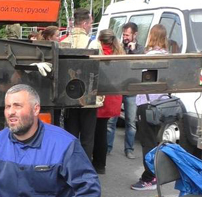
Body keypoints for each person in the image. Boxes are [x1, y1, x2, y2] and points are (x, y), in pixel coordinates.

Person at [131, 24, 169, 191]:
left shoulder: (150, 57)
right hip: (161, 104)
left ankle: (149, 178)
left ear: (151, 36)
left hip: (146, 104)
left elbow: (139, 78)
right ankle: (156, 174)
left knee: (147, 143)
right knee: (154, 141)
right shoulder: (168, 56)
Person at [61, 9, 98, 160]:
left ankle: (70, 167)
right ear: (84, 24)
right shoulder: (93, 43)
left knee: (70, 136)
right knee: (87, 139)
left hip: (68, 97)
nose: (90, 26)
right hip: (89, 98)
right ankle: (85, 169)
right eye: (90, 23)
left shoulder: (63, 43)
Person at [107, 22, 143, 159]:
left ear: (135, 34)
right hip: (117, 89)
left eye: (127, 35)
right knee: (111, 121)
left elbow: (139, 66)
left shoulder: (140, 49)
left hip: (132, 90)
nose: (125, 37)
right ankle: (108, 148)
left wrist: (133, 51)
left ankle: (129, 148)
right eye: (123, 34)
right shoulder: (119, 47)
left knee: (131, 121)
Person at [92, 29, 124, 174]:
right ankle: (101, 164)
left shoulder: (96, 51)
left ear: (100, 39)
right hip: (114, 97)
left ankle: (95, 162)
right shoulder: (120, 54)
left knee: (93, 132)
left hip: (99, 97)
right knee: (102, 131)